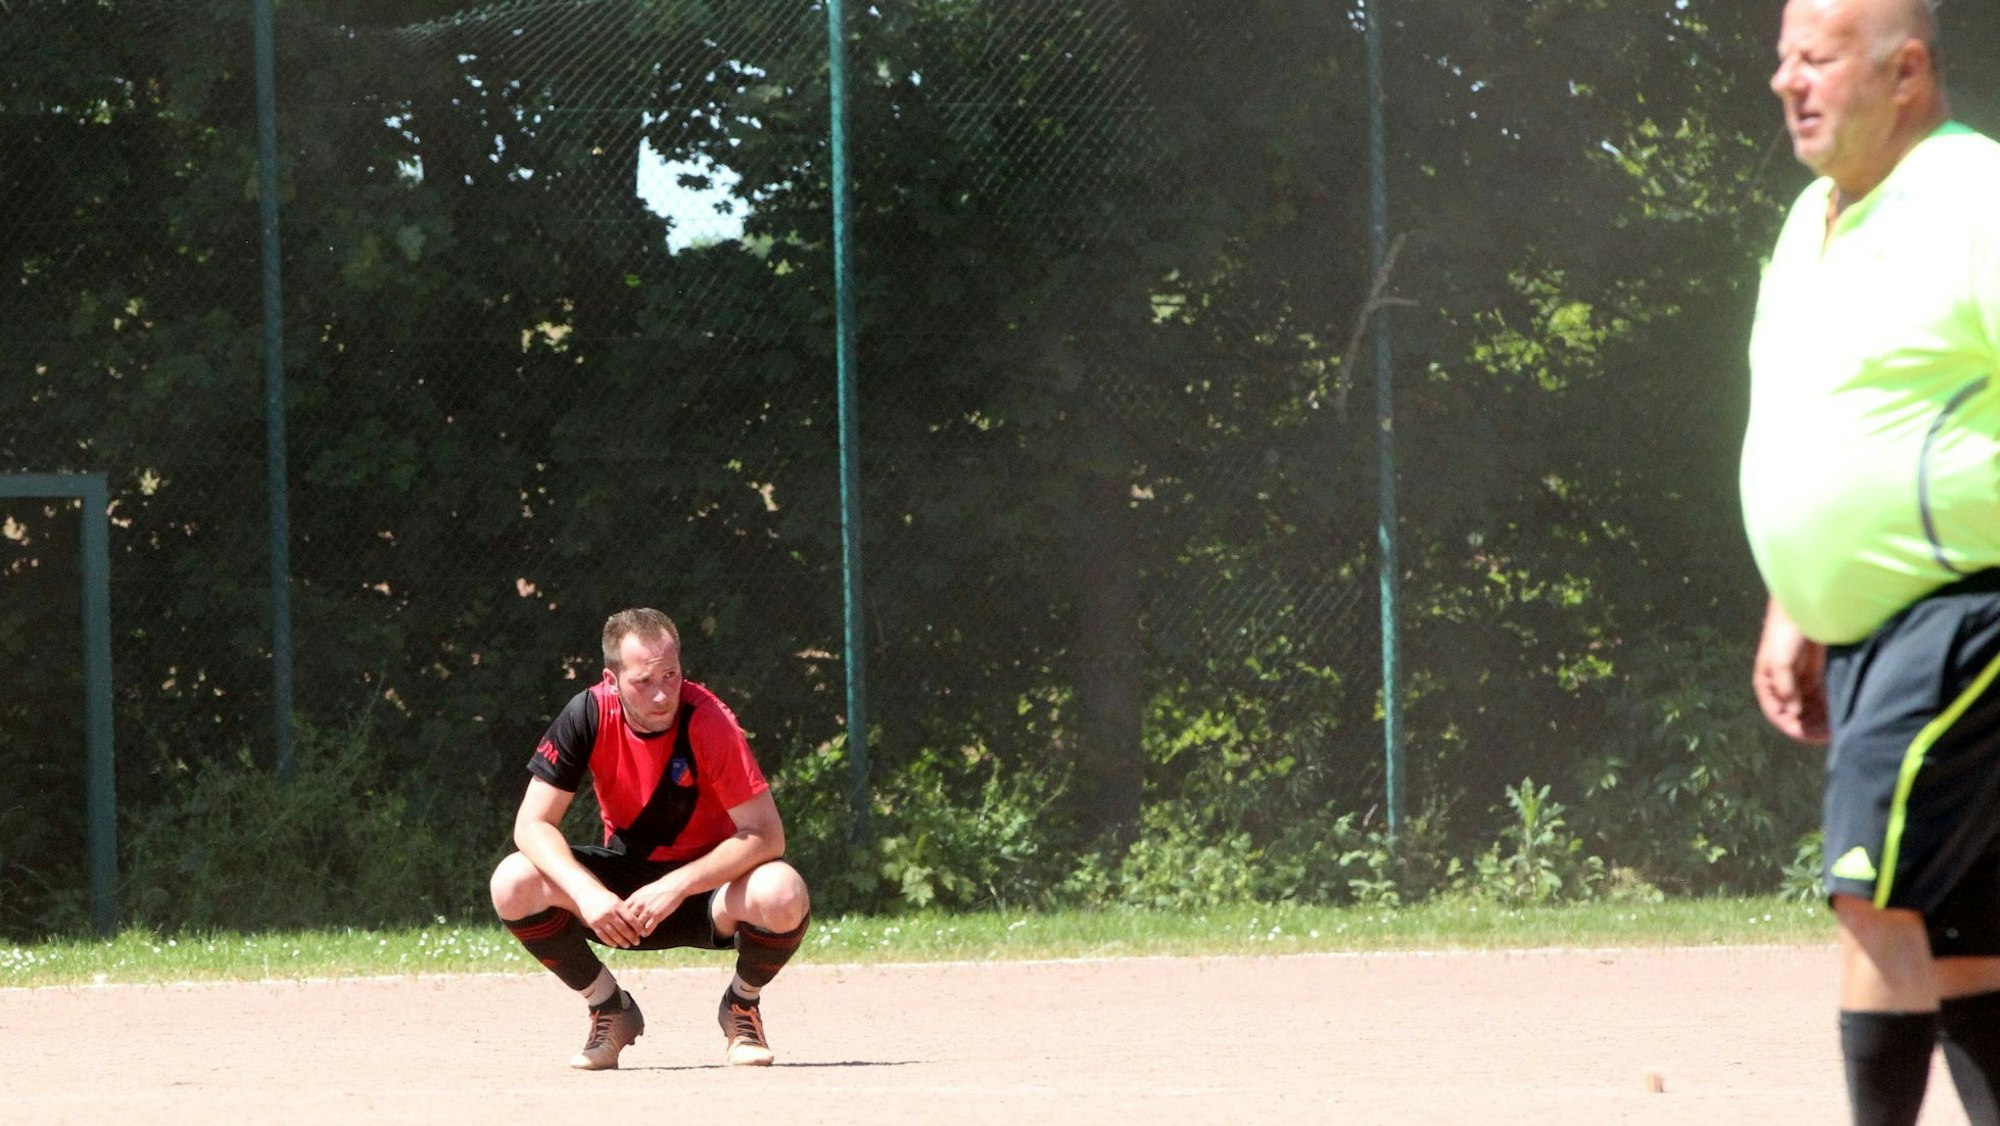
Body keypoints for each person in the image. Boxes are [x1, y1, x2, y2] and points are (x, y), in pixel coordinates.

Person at [1743, 1, 2000, 1123]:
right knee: (1958, 937)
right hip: (1875, 628)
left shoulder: (1971, 198)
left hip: (1967, 612)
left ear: (1903, 73)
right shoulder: (1812, 220)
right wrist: (1792, 599)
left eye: (1816, 57)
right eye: (1780, 58)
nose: (1784, 80)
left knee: (1872, 898)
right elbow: (1825, 423)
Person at [489, 608, 811, 1069]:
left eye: (671, 675)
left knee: (782, 890)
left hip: (708, 896)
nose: (662, 694)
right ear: (611, 678)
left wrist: (676, 885)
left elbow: (766, 835)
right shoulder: (587, 713)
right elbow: (532, 825)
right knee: (512, 881)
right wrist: (588, 892)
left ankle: (742, 1007)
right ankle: (609, 1008)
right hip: (623, 903)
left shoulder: (708, 720)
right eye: (644, 680)